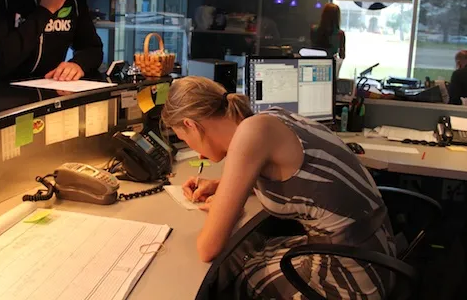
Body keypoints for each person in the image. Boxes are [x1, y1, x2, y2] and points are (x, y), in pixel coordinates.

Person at [162, 76, 395, 299]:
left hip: (355, 276)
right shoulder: (268, 118)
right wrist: (220, 186)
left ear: (191, 125)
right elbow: (288, 177)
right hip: (378, 252)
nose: (195, 152)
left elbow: (207, 249)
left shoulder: (250, 135)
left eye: (184, 139)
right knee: (255, 250)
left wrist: (219, 209)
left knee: (239, 275)